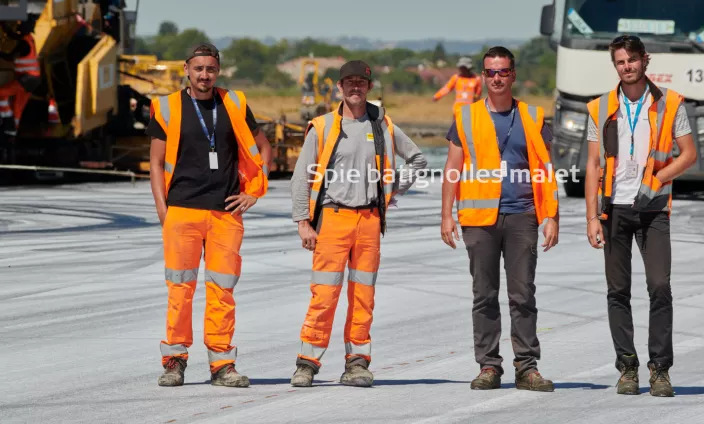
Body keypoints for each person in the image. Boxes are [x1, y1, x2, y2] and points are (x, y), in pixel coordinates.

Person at [290, 60, 427, 388]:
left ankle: (357, 364)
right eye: (348, 82)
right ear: (339, 87)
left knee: (363, 295)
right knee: (324, 294)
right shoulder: (322, 126)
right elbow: (301, 177)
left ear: (369, 87)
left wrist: (391, 189)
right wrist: (302, 222)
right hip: (333, 221)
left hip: (369, 221)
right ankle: (307, 363)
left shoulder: (383, 125)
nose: (355, 88)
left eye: (361, 83)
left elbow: (418, 159)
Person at [147, 43, 273, 388]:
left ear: (218, 71)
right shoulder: (167, 107)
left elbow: (263, 147)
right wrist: (163, 209)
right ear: (186, 69)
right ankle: (174, 361)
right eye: (198, 68)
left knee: (222, 290)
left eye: (211, 69)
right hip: (182, 210)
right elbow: (156, 163)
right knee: (180, 289)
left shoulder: (232, 103)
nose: (205, 75)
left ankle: (222, 365)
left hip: (224, 212)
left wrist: (254, 191)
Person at [440, 45, 560, 392]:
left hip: (522, 215)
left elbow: (546, 171)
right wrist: (446, 215)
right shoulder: (465, 117)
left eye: (502, 71)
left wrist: (551, 215)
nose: (496, 77)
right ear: (482, 76)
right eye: (490, 72)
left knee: (523, 294)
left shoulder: (534, 118)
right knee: (484, 295)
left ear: (513, 75)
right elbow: (453, 168)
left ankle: (527, 367)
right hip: (478, 218)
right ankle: (489, 366)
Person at [584, 34, 697, 398]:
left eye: (632, 59)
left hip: (653, 210)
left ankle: (660, 369)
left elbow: (689, 154)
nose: (627, 66)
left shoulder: (670, 102)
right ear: (614, 65)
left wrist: (659, 179)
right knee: (617, 291)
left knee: (659, 287)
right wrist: (590, 217)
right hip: (612, 209)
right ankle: (628, 368)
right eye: (620, 61)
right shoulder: (599, 108)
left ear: (645, 60)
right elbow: (592, 164)